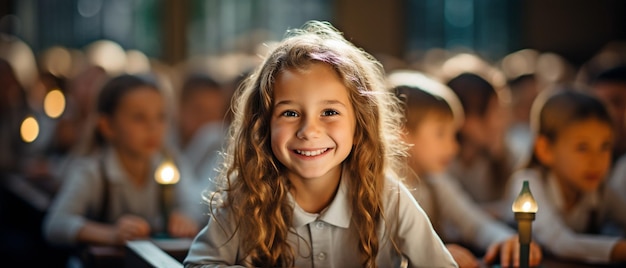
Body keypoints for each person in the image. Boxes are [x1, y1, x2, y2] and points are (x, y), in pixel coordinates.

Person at [183, 21, 456, 268]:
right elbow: (198, 265)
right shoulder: (247, 197)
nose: (309, 131)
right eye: (289, 113)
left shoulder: (386, 196)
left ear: (359, 123)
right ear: (264, 125)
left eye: (329, 112)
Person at [389, 70, 542, 268]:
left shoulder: (437, 183)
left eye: (453, 135)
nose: (454, 147)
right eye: (441, 134)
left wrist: (507, 240)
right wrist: (435, 253)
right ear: (403, 134)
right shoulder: (385, 190)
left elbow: (474, 225)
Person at [43, 74, 199, 249]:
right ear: (107, 126)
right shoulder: (93, 172)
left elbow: (194, 202)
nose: (153, 128)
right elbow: (55, 224)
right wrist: (111, 234)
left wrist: (185, 218)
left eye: (161, 117)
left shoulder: (170, 163)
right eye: (139, 118)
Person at [505, 89, 626, 264]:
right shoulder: (528, 185)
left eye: (605, 146)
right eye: (582, 148)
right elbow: (560, 242)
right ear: (545, 149)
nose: (596, 160)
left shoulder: (600, 191)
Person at [446, 72, 514, 219]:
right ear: (466, 119)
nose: (500, 123)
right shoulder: (443, 163)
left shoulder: (503, 157)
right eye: (494, 112)